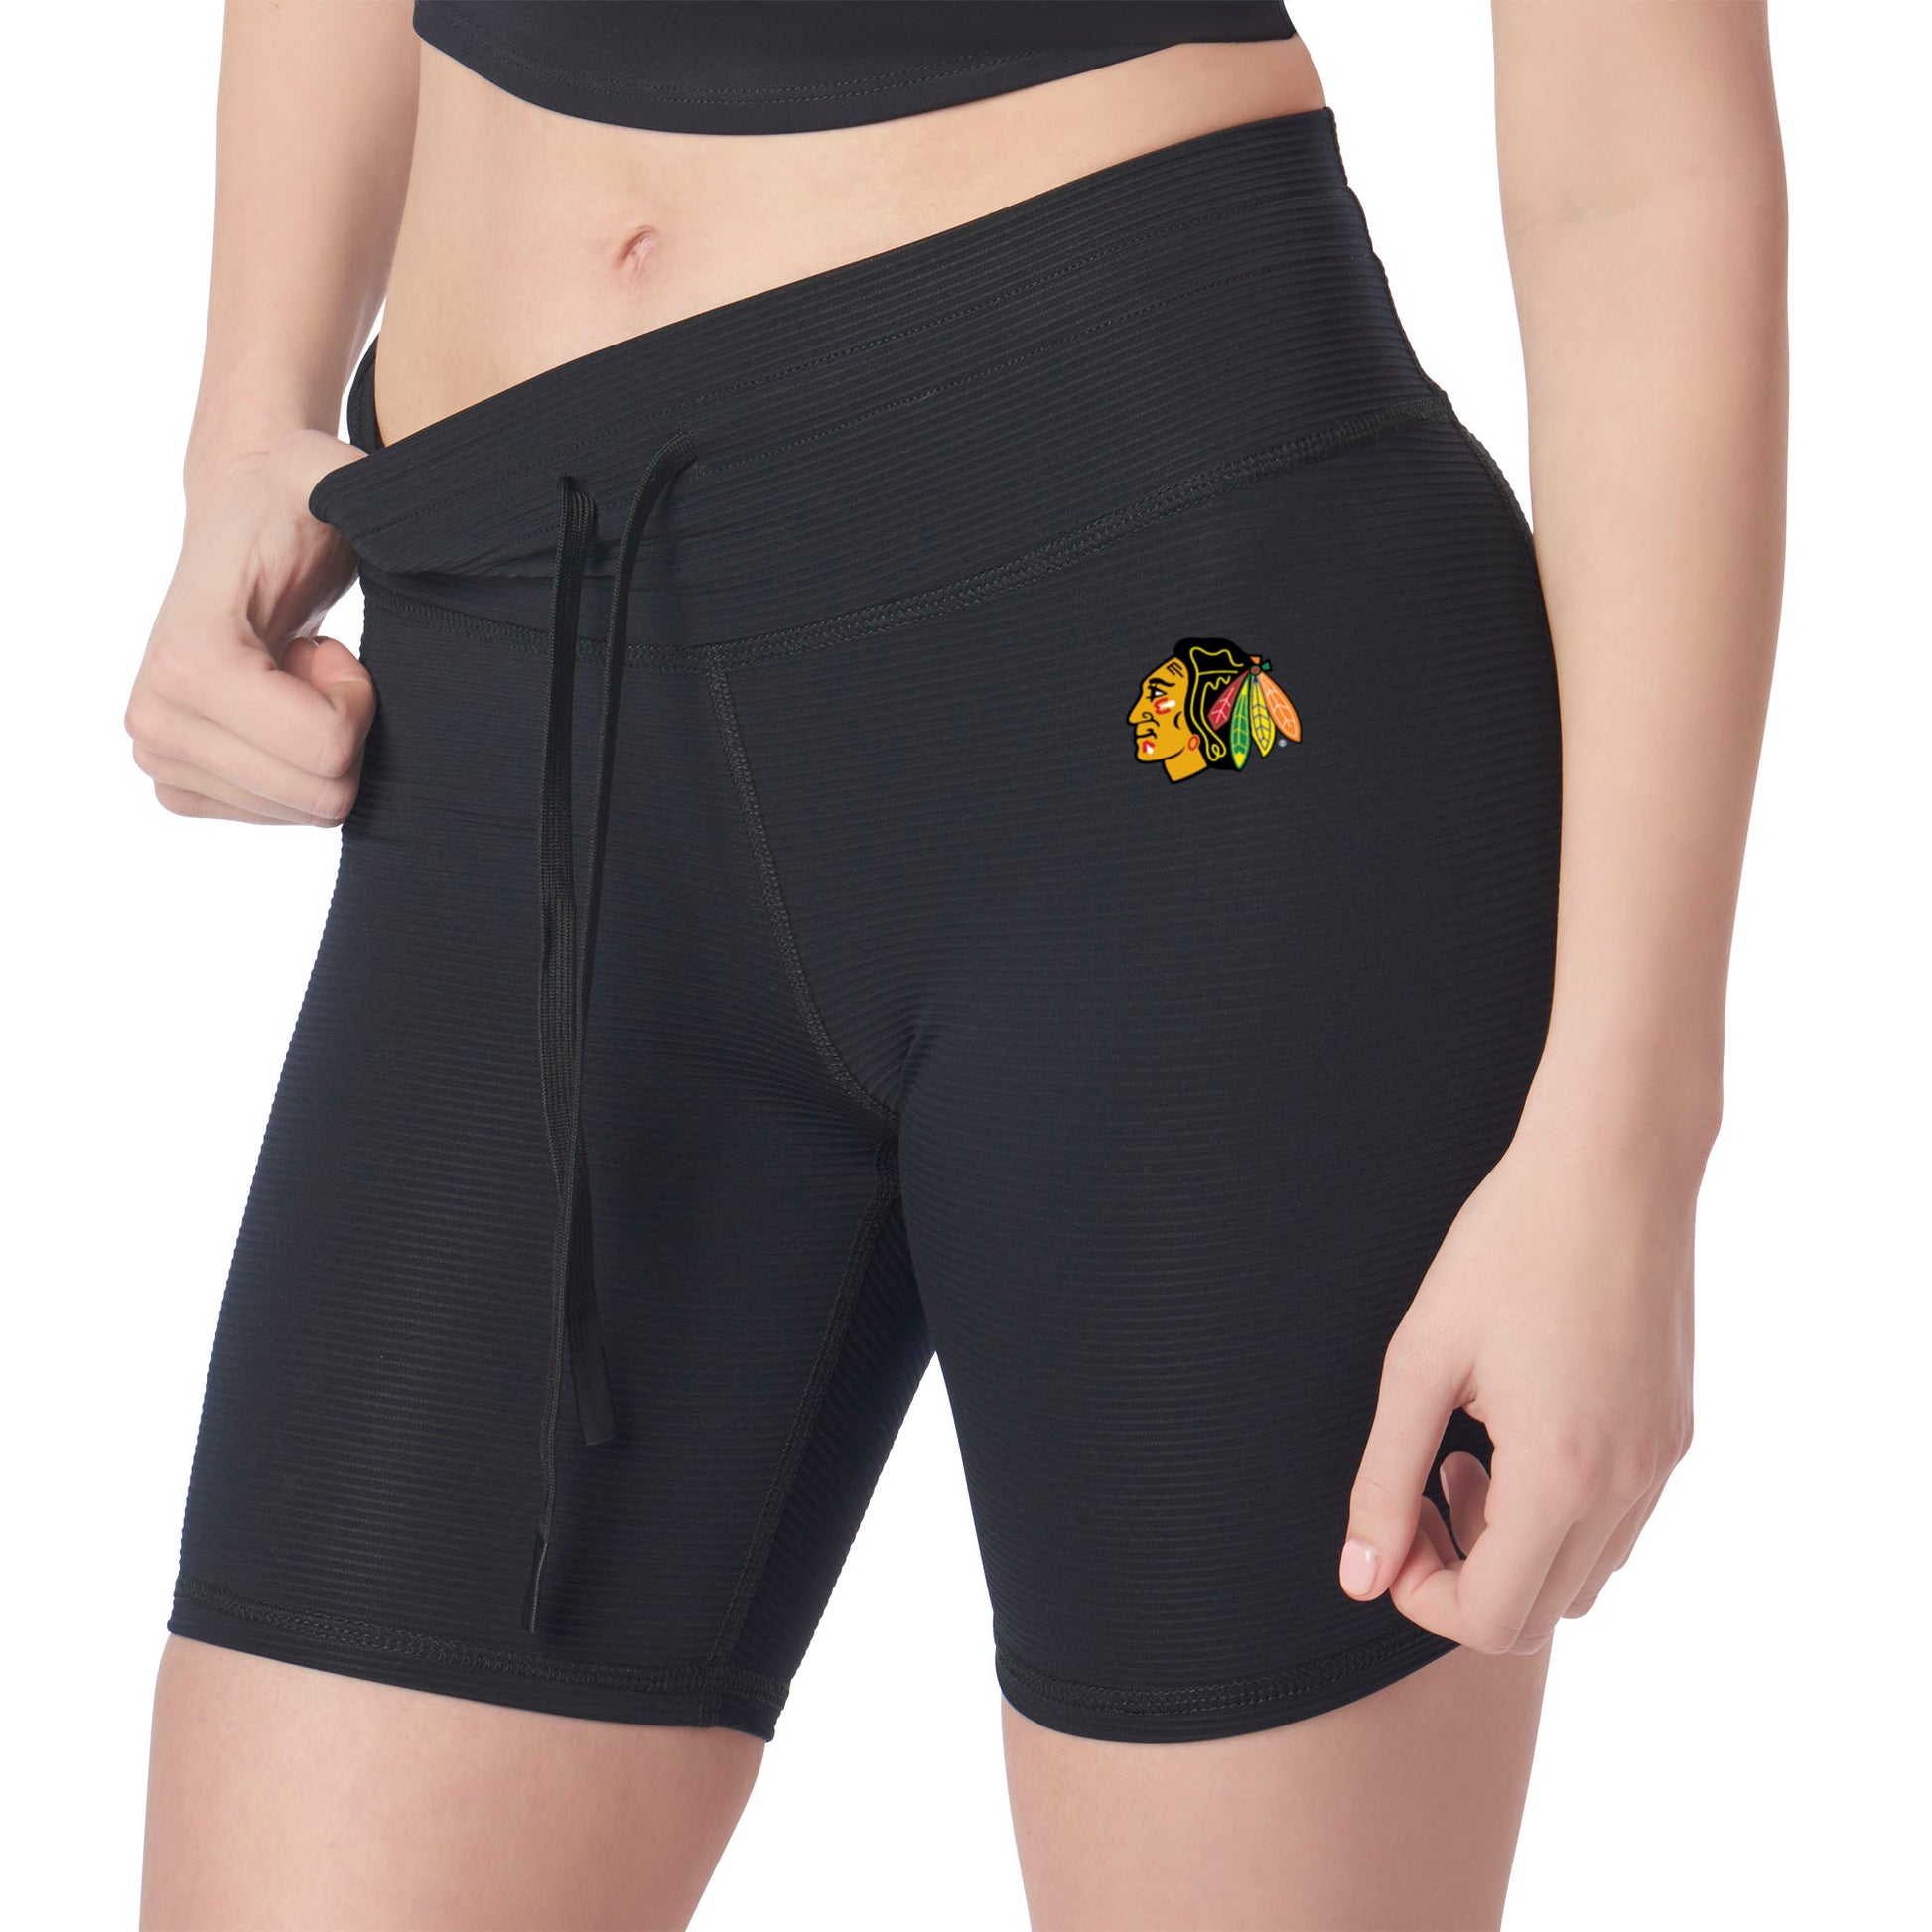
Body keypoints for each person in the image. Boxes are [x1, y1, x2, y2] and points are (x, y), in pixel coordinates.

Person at [127, 4, 1787, 1926]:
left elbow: (1632, 172)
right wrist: (249, 416)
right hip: (523, 688)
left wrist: (1622, 1150)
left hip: (1175, 694)